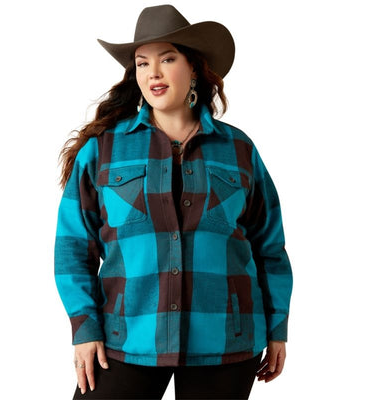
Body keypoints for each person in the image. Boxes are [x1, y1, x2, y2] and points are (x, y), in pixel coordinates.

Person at [54, 4, 293, 399]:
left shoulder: (238, 150)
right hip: (127, 337)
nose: (154, 73)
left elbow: (269, 248)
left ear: (193, 67)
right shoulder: (103, 151)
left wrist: (277, 327)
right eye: (142, 63)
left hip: (225, 340)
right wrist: (84, 328)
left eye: (167, 59)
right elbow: (73, 249)